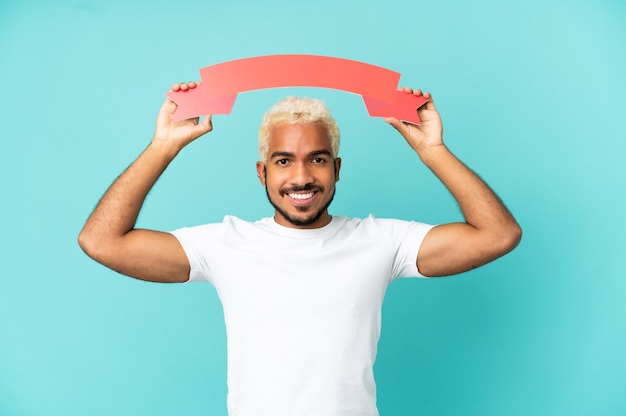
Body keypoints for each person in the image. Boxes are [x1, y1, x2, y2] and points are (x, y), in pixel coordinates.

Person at [78, 81, 521, 416]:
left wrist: (433, 150)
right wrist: (162, 147)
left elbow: (497, 234)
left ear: (337, 168)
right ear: (262, 172)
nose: (302, 177)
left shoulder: (381, 241)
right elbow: (101, 241)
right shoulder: (226, 244)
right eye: (284, 160)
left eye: (318, 158)